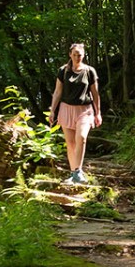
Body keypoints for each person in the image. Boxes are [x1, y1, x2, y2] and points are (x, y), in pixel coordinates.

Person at [49, 43, 102, 184]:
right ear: (70, 55)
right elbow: (57, 92)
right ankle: (74, 174)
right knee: (71, 143)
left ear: (83, 55)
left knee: (82, 137)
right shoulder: (63, 71)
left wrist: (98, 113)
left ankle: (78, 171)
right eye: (74, 54)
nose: (77, 57)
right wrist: (52, 111)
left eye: (79, 55)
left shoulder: (90, 71)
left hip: (85, 110)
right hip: (66, 109)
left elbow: (95, 94)